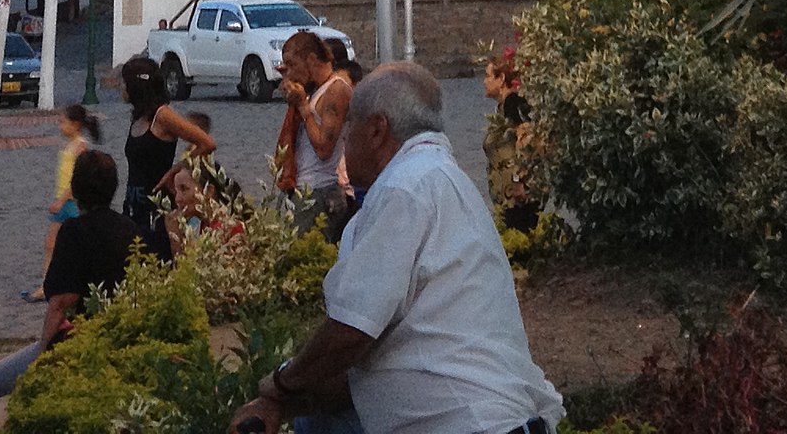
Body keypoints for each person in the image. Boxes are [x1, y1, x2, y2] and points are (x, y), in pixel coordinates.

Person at [229, 63, 562, 434]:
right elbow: (374, 358)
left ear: (376, 129)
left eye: (348, 128)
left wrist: (278, 387)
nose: (342, 141)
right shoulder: (435, 176)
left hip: (470, 422)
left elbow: (351, 332)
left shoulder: (405, 188)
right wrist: (295, 397)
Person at [0, 149, 148, 395]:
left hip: (82, 339)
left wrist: (43, 352)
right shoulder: (129, 227)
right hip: (123, 334)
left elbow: (61, 303)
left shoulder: (73, 231)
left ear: (76, 187)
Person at [119, 55, 218, 258]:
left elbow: (206, 143)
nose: (122, 87)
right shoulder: (139, 117)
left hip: (157, 206)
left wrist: (177, 168)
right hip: (134, 203)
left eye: (125, 82)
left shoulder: (163, 115)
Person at [275, 30, 353, 236]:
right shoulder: (316, 89)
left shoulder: (336, 90)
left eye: (292, 64)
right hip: (305, 188)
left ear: (310, 59)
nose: (289, 72)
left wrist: (303, 107)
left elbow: (323, 147)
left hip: (320, 190)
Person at [35, 103, 103, 291]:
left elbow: (77, 179)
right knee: (51, 244)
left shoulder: (80, 147)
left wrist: (61, 200)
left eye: (63, 122)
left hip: (71, 202)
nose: (60, 126)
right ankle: (46, 284)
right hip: (64, 201)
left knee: (76, 243)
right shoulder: (71, 145)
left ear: (76, 124)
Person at [481, 48, 537, 234]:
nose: (484, 81)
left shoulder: (513, 105)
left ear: (501, 79)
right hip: (505, 197)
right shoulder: (503, 109)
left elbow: (525, 143)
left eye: (488, 76)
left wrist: (518, 180)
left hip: (516, 197)